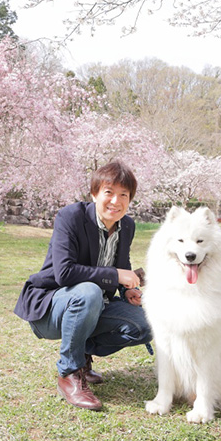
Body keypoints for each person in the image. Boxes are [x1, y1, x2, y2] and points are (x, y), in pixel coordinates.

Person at [13, 159, 153, 411]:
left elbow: (121, 264)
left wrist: (127, 289)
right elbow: (64, 273)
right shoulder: (71, 217)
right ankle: (69, 372)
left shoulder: (127, 226)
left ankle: (82, 354)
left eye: (124, 195)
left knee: (148, 323)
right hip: (51, 308)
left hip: (95, 306)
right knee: (89, 291)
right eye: (109, 192)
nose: (116, 201)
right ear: (94, 194)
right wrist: (115, 275)